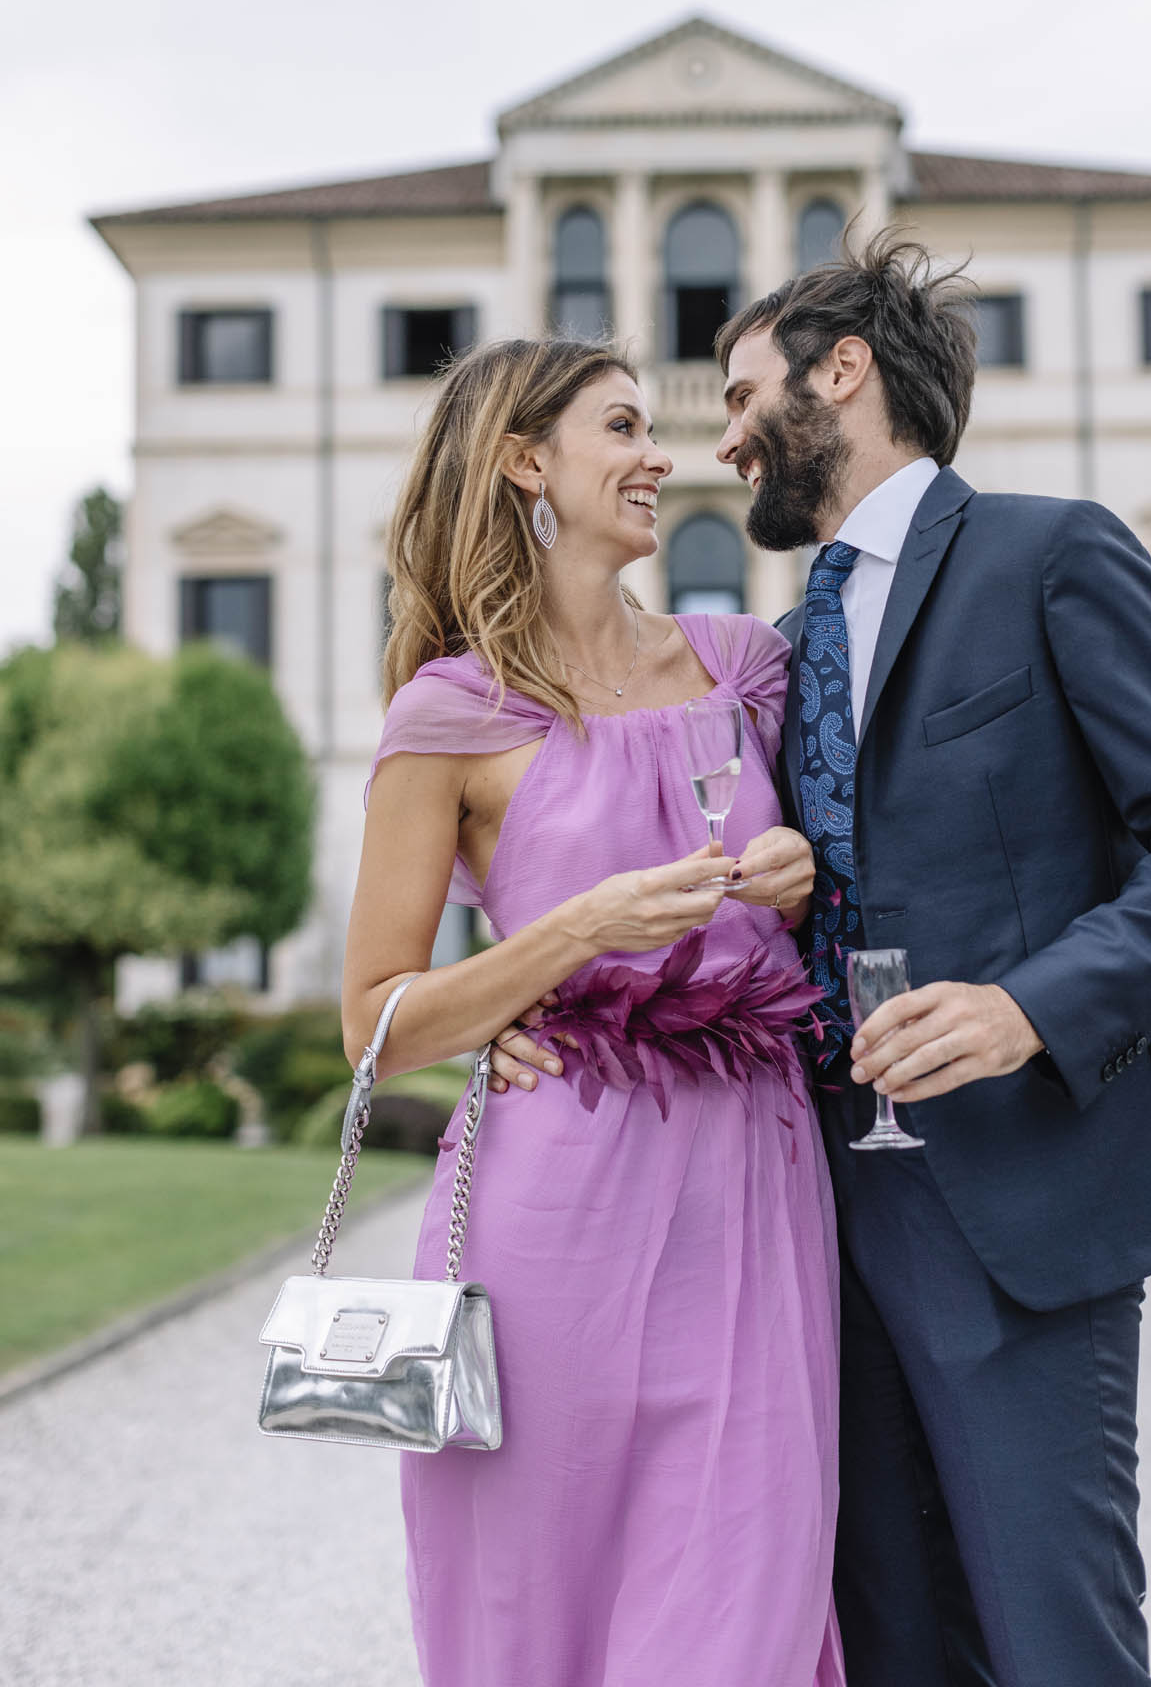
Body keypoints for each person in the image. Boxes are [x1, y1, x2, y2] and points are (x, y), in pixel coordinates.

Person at [703, 229, 1151, 1687]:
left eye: (735, 394)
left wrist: (1028, 1009)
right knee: (893, 1641)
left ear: (839, 372)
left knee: (1051, 1644)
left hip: (1020, 1198)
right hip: (820, 1208)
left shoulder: (1050, 551)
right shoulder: (785, 644)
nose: (721, 441)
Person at [342, 336, 845, 1687]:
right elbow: (376, 1023)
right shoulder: (449, 714)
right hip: (553, 1202)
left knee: (744, 1594)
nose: (656, 454)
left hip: (751, 1172)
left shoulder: (745, 667)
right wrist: (570, 934)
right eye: (620, 427)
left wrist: (800, 883)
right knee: (534, 1603)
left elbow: (841, 886)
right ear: (525, 462)